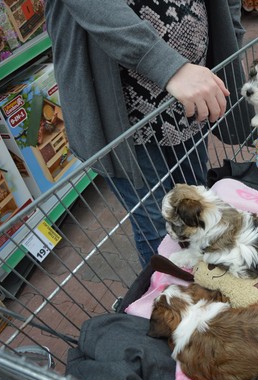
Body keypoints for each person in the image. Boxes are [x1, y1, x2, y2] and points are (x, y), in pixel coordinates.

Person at [44, 0, 247, 268]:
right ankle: (172, 298)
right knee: (156, 225)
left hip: (190, 95)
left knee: (196, 203)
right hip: (123, 112)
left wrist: (231, 32)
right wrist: (169, 66)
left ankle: (204, 277)